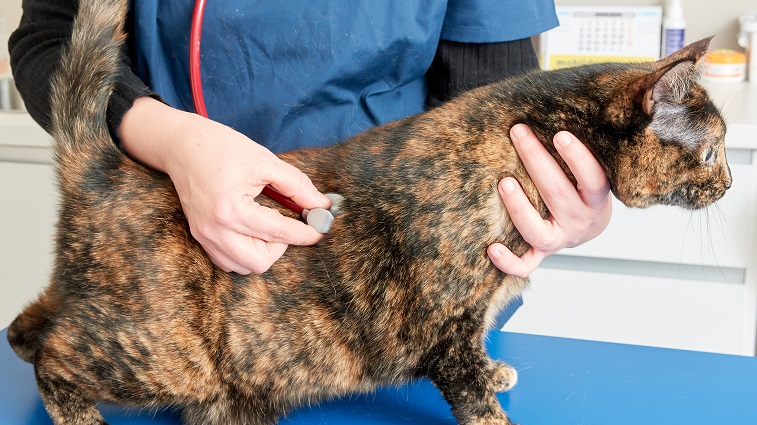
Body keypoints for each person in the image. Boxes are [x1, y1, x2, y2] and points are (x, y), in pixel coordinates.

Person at [9, 1, 612, 281]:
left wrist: (554, 201)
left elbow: (498, 102)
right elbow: (51, 41)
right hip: (175, 267)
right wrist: (170, 138)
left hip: (399, 273)